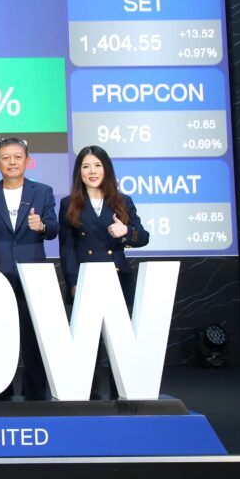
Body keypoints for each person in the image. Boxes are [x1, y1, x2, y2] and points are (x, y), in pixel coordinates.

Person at [58, 145, 149, 399]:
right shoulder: (69, 203)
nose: (92, 171)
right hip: (86, 279)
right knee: (88, 346)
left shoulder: (122, 201)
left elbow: (143, 237)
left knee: (120, 344)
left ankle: (122, 398)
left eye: (97, 165)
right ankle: (91, 399)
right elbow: (67, 248)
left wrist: (126, 232)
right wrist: (73, 281)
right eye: (86, 166)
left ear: (106, 169)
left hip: (117, 277)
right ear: (79, 172)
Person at [0, 137, 58, 401]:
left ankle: (35, 395)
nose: (12, 162)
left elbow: (53, 228)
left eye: (17, 157)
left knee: (33, 338)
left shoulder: (43, 191)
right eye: (6, 158)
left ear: (27, 161)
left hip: (33, 275)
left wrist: (42, 226)